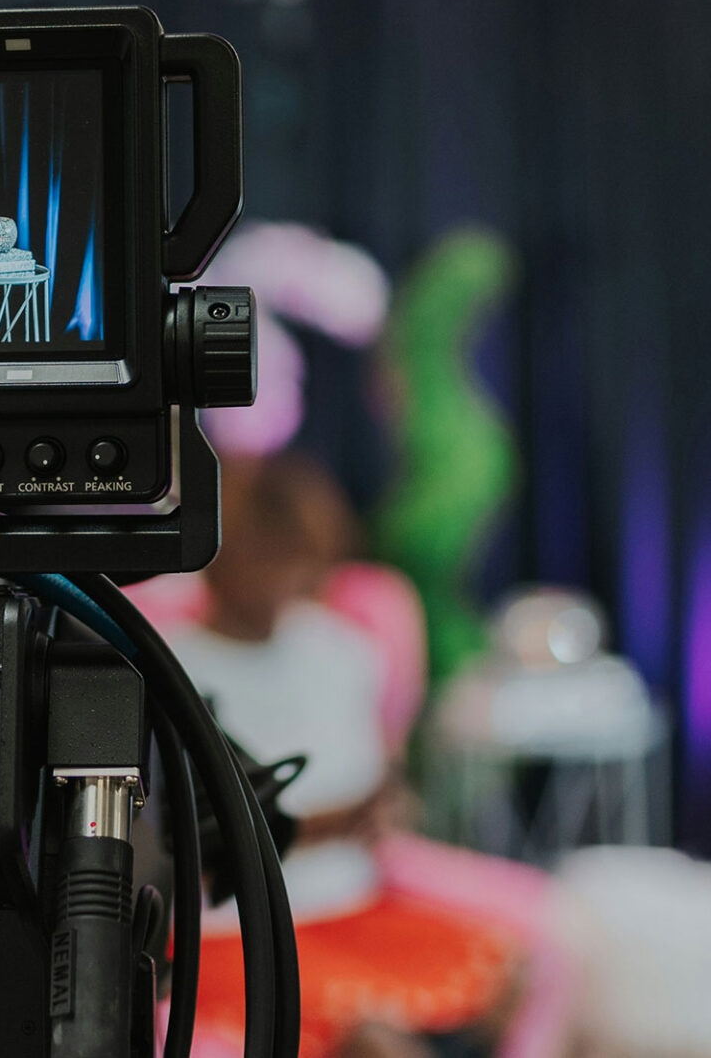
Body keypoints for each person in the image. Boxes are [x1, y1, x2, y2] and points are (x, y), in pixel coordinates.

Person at [158, 452, 519, 1058]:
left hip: (355, 906)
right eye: (268, 558)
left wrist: (387, 806)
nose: (284, 581)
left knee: (511, 974)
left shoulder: (345, 650)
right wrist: (322, 825)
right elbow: (184, 843)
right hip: (240, 931)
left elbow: (378, 774)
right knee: (377, 1041)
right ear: (215, 557)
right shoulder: (168, 666)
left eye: (300, 560)